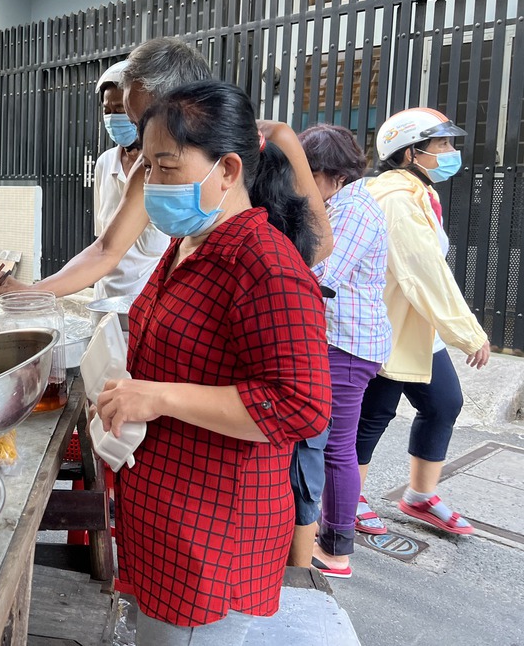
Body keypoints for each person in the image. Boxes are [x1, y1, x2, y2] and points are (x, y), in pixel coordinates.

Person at [94, 80, 331, 640]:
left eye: (167, 167)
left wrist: (159, 396)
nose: (153, 184)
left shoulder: (265, 266)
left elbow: (302, 406)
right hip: (168, 514)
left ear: (227, 170)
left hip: (215, 532)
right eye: (147, 169)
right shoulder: (190, 244)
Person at [0, 36, 332, 300]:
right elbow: (106, 250)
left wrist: (259, 288)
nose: (142, 142)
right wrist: (30, 292)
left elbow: (320, 242)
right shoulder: (150, 166)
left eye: (146, 120)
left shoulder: (276, 140)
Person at [355, 107, 490, 537]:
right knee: (374, 414)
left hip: (414, 326)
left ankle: (419, 495)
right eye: (442, 145)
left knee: (443, 403)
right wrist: (467, 332)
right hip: (387, 327)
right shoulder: (396, 199)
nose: (451, 153)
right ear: (410, 153)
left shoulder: (415, 193)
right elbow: (423, 272)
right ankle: (347, 499)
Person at [292, 124, 391, 579]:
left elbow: (322, 272)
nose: (305, 186)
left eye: (311, 176)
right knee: (331, 444)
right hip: (343, 341)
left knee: (335, 448)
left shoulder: (354, 211)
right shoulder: (341, 202)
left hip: (348, 345)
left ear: (334, 174)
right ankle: (324, 541)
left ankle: (335, 552)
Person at [91, 60, 170, 299]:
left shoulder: (164, 171)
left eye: (120, 110)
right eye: (107, 111)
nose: (112, 118)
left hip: (147, 306)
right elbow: (102, 245)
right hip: (104, 304)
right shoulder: (105, 164)